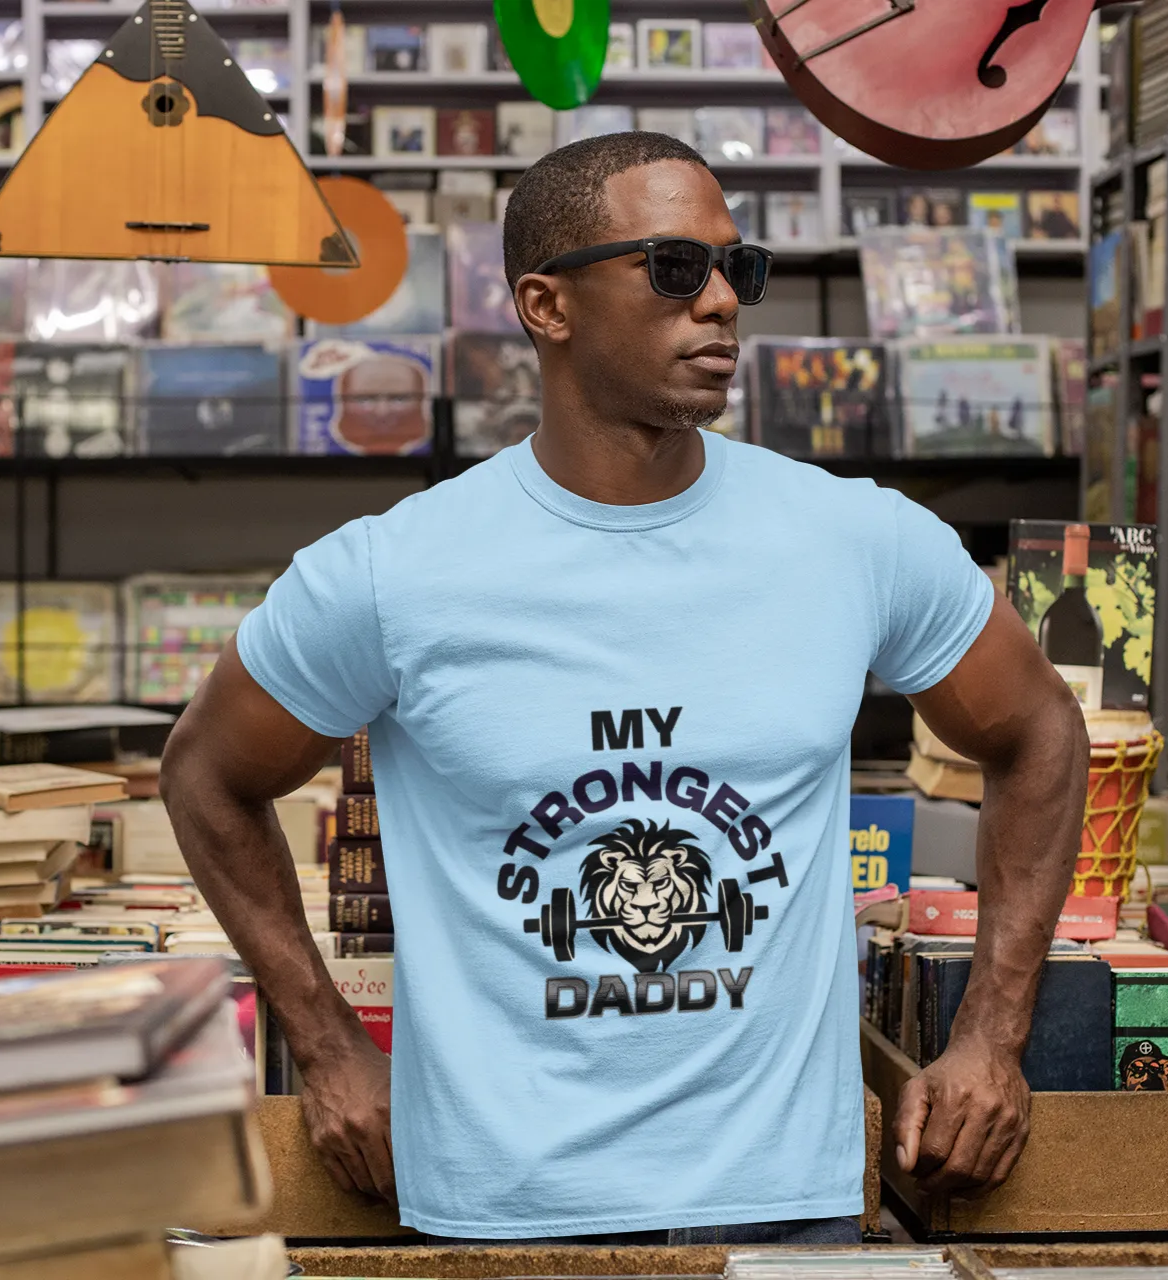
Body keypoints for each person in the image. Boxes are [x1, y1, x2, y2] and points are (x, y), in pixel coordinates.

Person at [159, 132, 1088, 1245]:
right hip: (502, 1215)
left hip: (783, 1208)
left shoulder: (853, 539)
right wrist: (323, 1041)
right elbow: (205, 775)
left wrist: (990, 1030)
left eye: (734, 270)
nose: (719, 305)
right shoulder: (391, 573)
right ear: (545, 305)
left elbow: (1038, 730)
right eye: (672, 268)